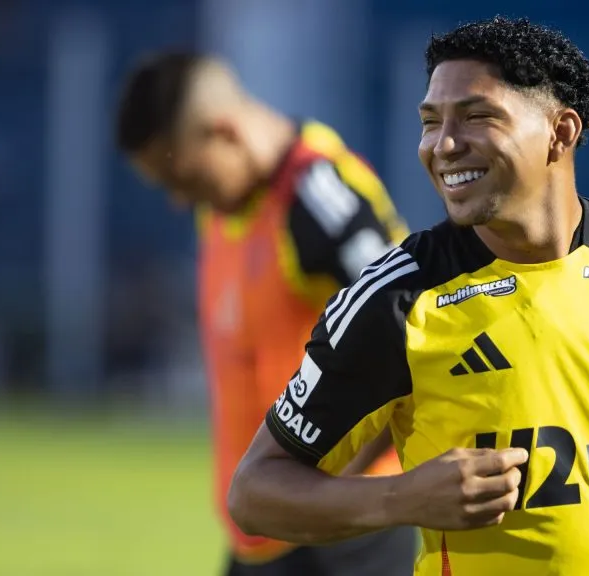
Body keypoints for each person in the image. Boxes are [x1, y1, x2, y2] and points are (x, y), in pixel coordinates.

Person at [228, 17, 589, 576]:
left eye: (476, 116)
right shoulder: (398, 299)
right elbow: (255, 492)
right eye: (431, 121)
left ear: (561, 132)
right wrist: (400, 498)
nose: (443, 144)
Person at [113, 52, 417, 576]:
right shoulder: (228, 205)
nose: (179, 201)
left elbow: (413, 331)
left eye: (181, 178)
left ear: (224, 132)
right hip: (265, 530)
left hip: (345, 540)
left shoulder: (318, 198)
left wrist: (333, 493)